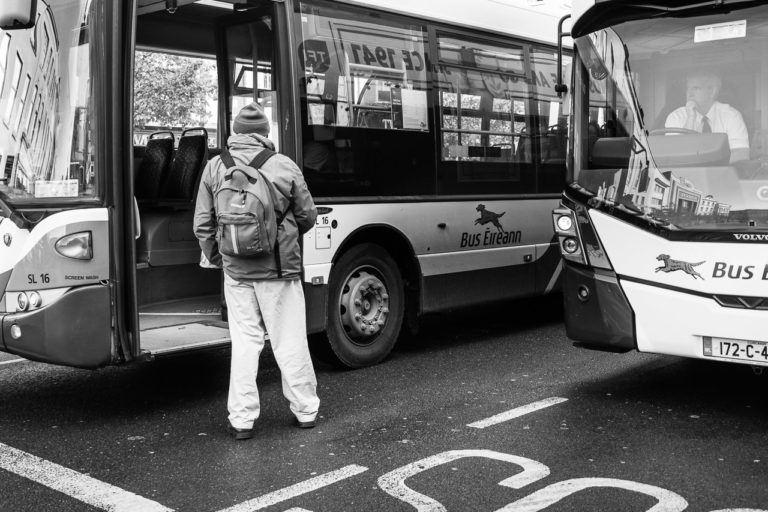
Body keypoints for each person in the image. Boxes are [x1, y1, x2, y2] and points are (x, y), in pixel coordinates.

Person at [193, 102, 320, 440]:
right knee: (288, 339)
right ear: (266, 133)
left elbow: (203, 225)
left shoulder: (214, 168)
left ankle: (242, 420)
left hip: (236, 273)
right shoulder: (283, 165)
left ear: (234, 132)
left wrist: (224, 260)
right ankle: (305, 410)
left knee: (245, 343)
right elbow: (308, 216)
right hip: (279, 270)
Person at [665, 71, 750, 162]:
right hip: (686, 175)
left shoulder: (731, 115)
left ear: (712, 92)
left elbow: (740, 154)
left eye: (696, 88)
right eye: (688, 88)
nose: (689, 94)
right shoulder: (676, 117)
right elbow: (675, 157)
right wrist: (690, 120)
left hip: (723, 174)